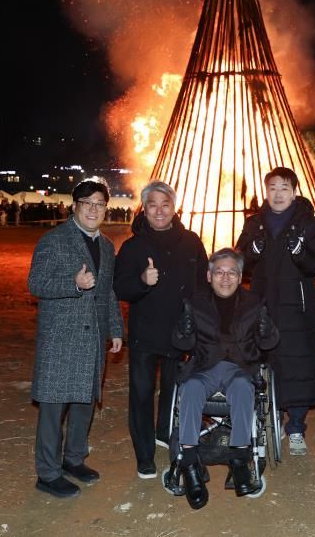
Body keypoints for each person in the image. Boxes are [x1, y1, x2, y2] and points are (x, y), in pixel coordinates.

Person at [27, 179, 124, 498]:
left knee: (84, 402)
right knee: (53, 409)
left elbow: (108, 291)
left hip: (93, 336)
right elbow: (36, 283)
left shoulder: (107, 246)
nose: (94, 210)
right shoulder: (54, 240)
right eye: (87, 203)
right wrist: (73, 283)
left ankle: (74, 459)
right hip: (61, 339)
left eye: (100, 204)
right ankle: (48, 473)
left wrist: (115, 328)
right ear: (74, 207)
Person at [170, 248, 279, 509]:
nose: (225, 278)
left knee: (242, 388)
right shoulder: (195, 303)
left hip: (240, 367)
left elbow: (269, 343)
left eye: (232, 272)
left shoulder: (255, 303)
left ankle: (239, 459)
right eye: (219, 272)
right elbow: (181, 343)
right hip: (204, 367)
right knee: (191, 388)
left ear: (240, 277)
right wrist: (184, 331)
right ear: (209, 276)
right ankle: (190, 463)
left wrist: (267, 331)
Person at [113, 181, 208, 479]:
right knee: (142, 393)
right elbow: (120, 287)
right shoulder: (133, 246)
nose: (159, 211)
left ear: (174, 208)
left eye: (165, 204)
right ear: (144, 208)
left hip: (180, 332)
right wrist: (142, 281)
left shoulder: (191, 242)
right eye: (152, 204)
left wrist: (201, 321)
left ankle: (164, 434)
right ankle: (144, 455)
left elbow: (203, 286)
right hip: (145, 332)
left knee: (173, 389)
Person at [236, 167, 315, 456]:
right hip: (262, 305)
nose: (278, 194)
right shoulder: (254, 224)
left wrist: (301, 252)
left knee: (297, 364)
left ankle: (296, 426)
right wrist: (252, 250)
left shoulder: (309, 224)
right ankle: (269, 418)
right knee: (265, 362)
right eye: (273, 188)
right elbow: (240, 263)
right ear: (266, 192)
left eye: (284, 188)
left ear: (295, 192)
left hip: (296, 307)